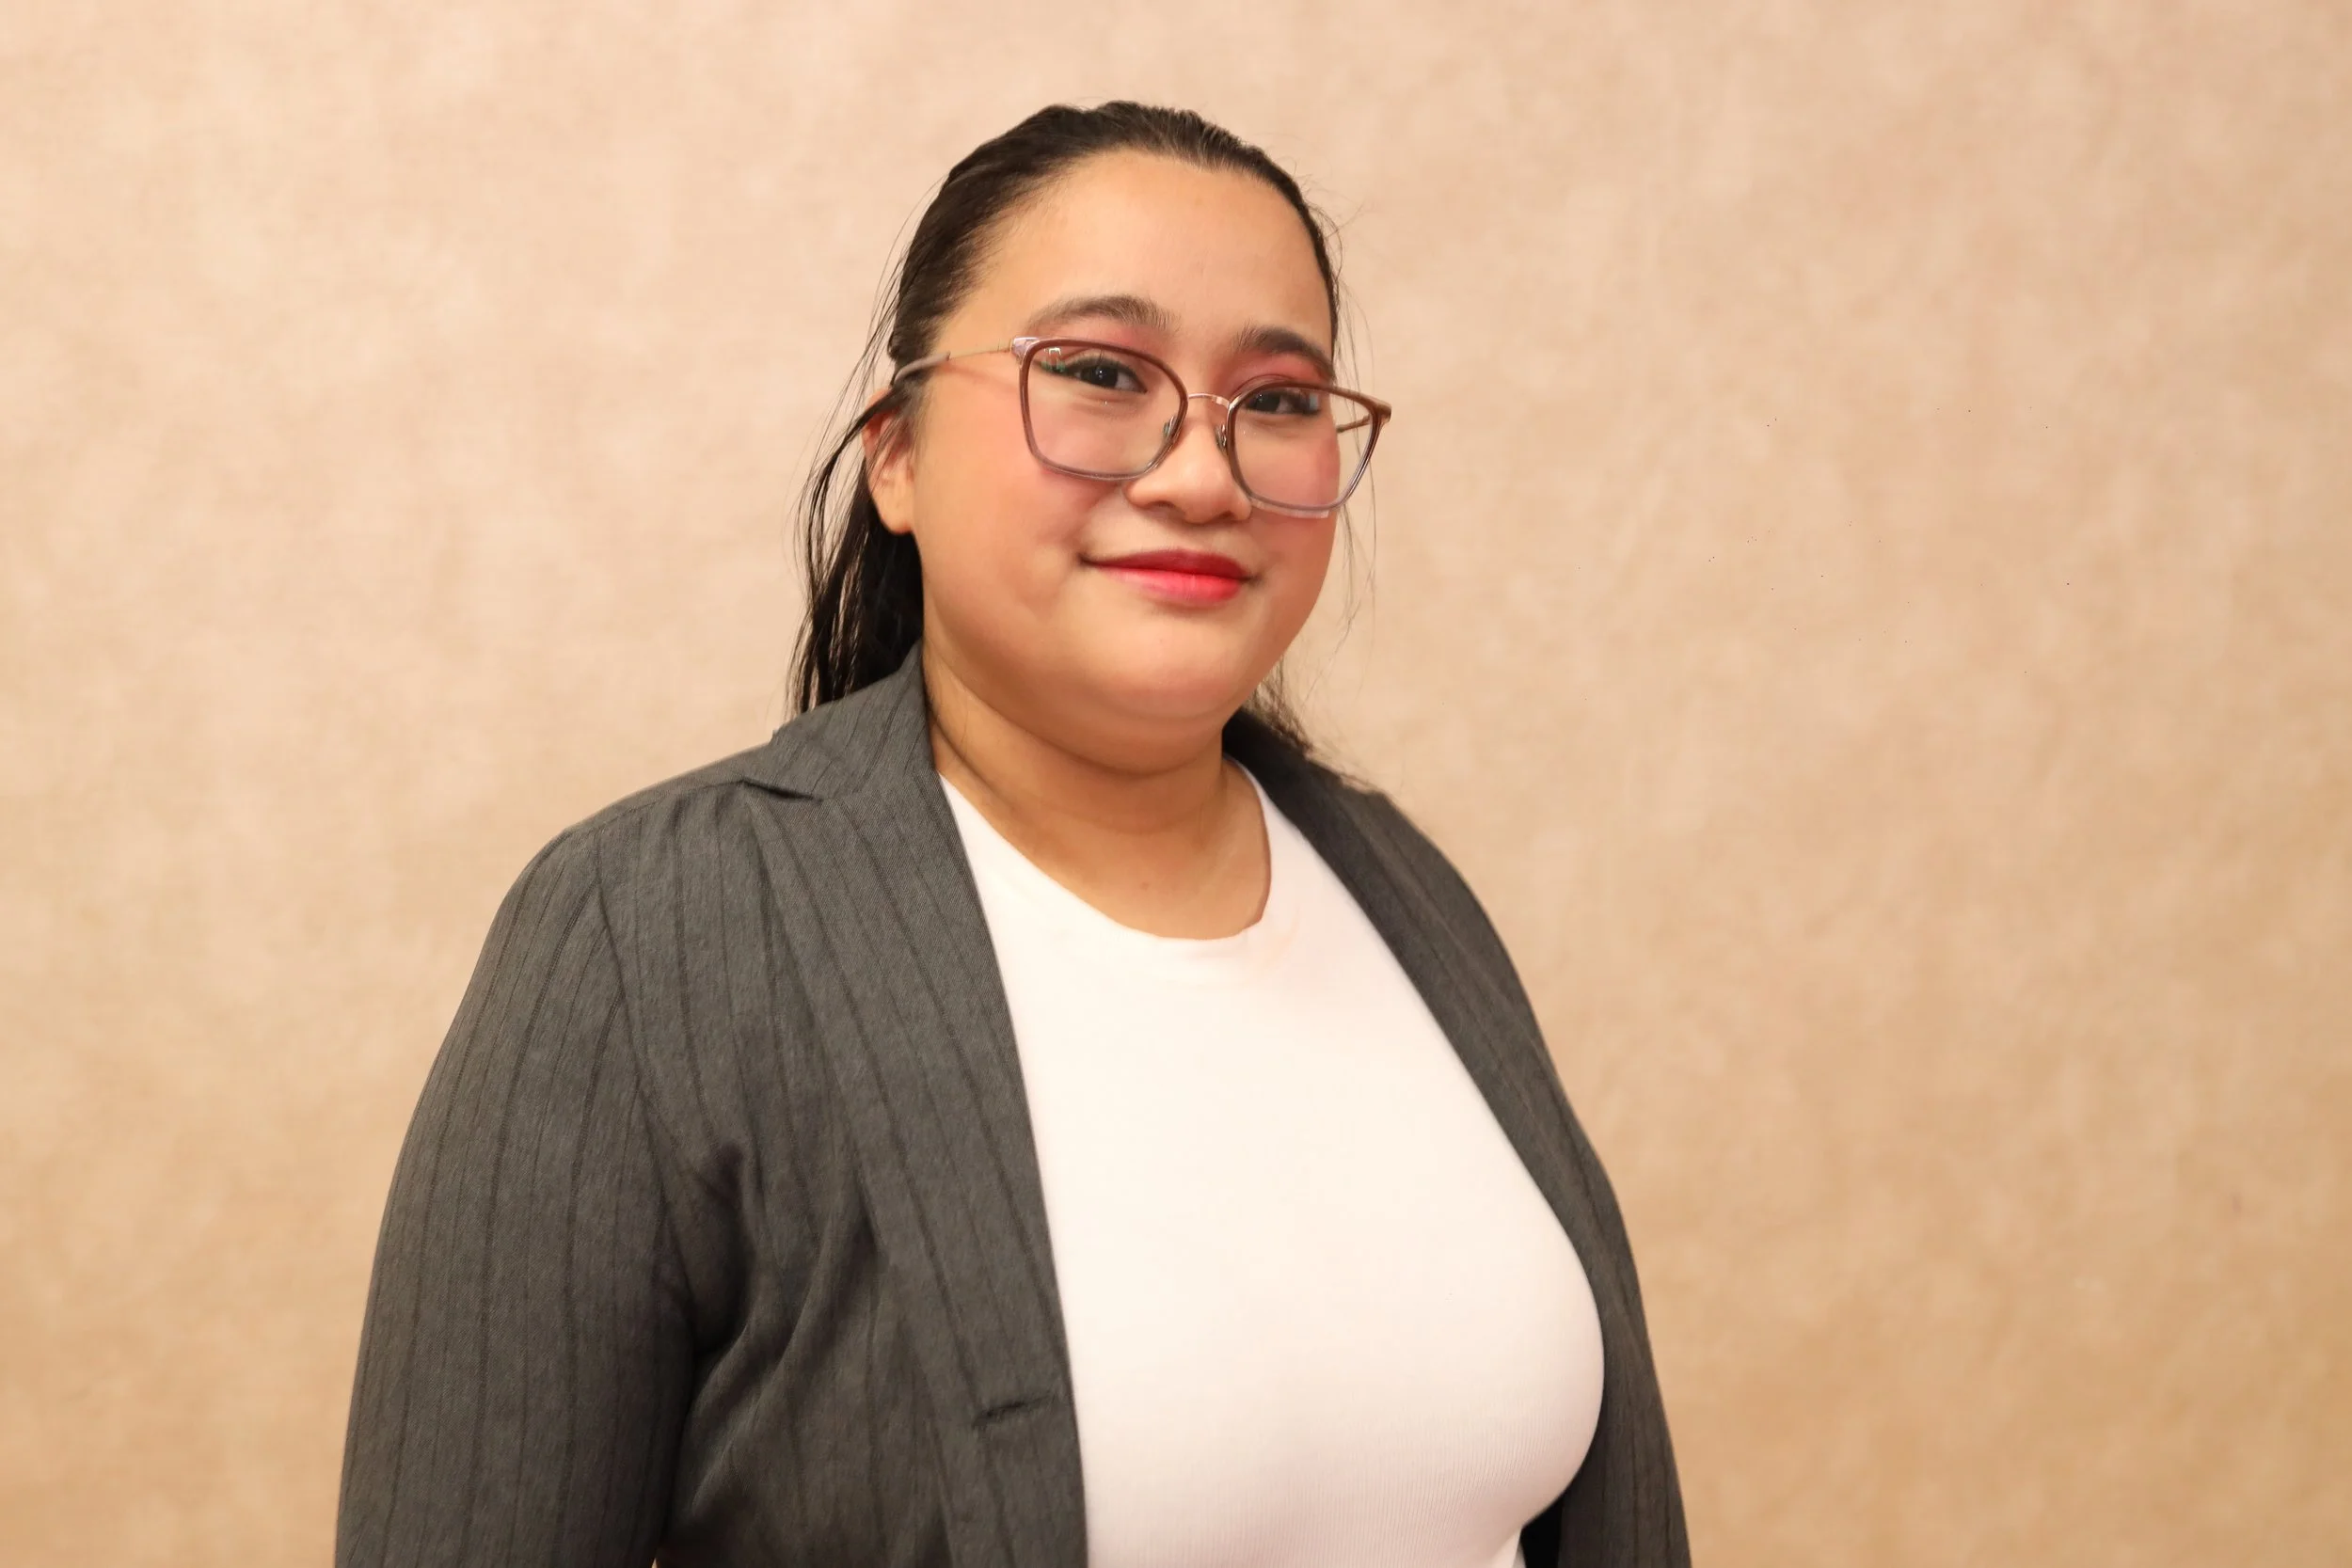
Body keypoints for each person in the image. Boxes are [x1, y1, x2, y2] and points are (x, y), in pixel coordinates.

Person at [336, 102, 1688, 1568]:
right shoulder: (654, 934)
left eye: (1281, 398)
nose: (1202, 474)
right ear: (897, 456)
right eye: (1100, 373)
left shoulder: (1399, 889)